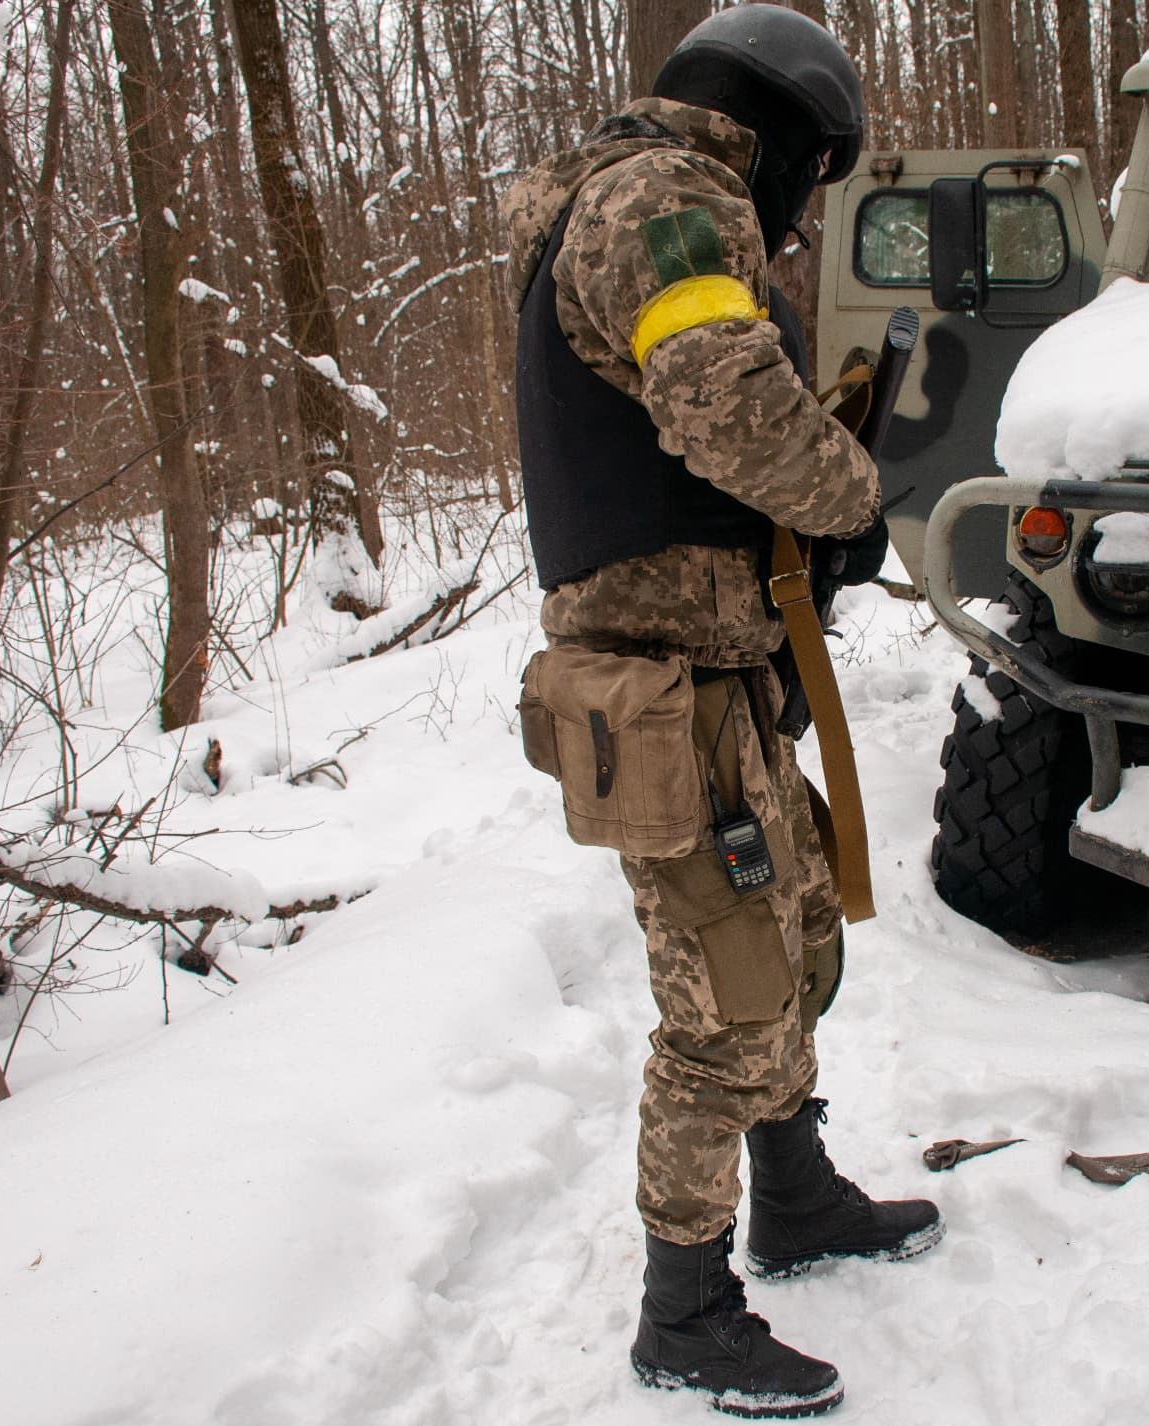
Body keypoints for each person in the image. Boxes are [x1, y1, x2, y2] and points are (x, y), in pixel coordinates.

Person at [501, 4, 941, 1418]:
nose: (804, 216)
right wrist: (853, 499)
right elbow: (724, 403)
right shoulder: (661, 200)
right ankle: (682, 1306)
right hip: (664, 693)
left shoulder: (641, 198)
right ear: (778, 139)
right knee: (727, 1000)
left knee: (794, 938)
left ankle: (795, 1193)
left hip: (713, 675)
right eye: (810, 183)